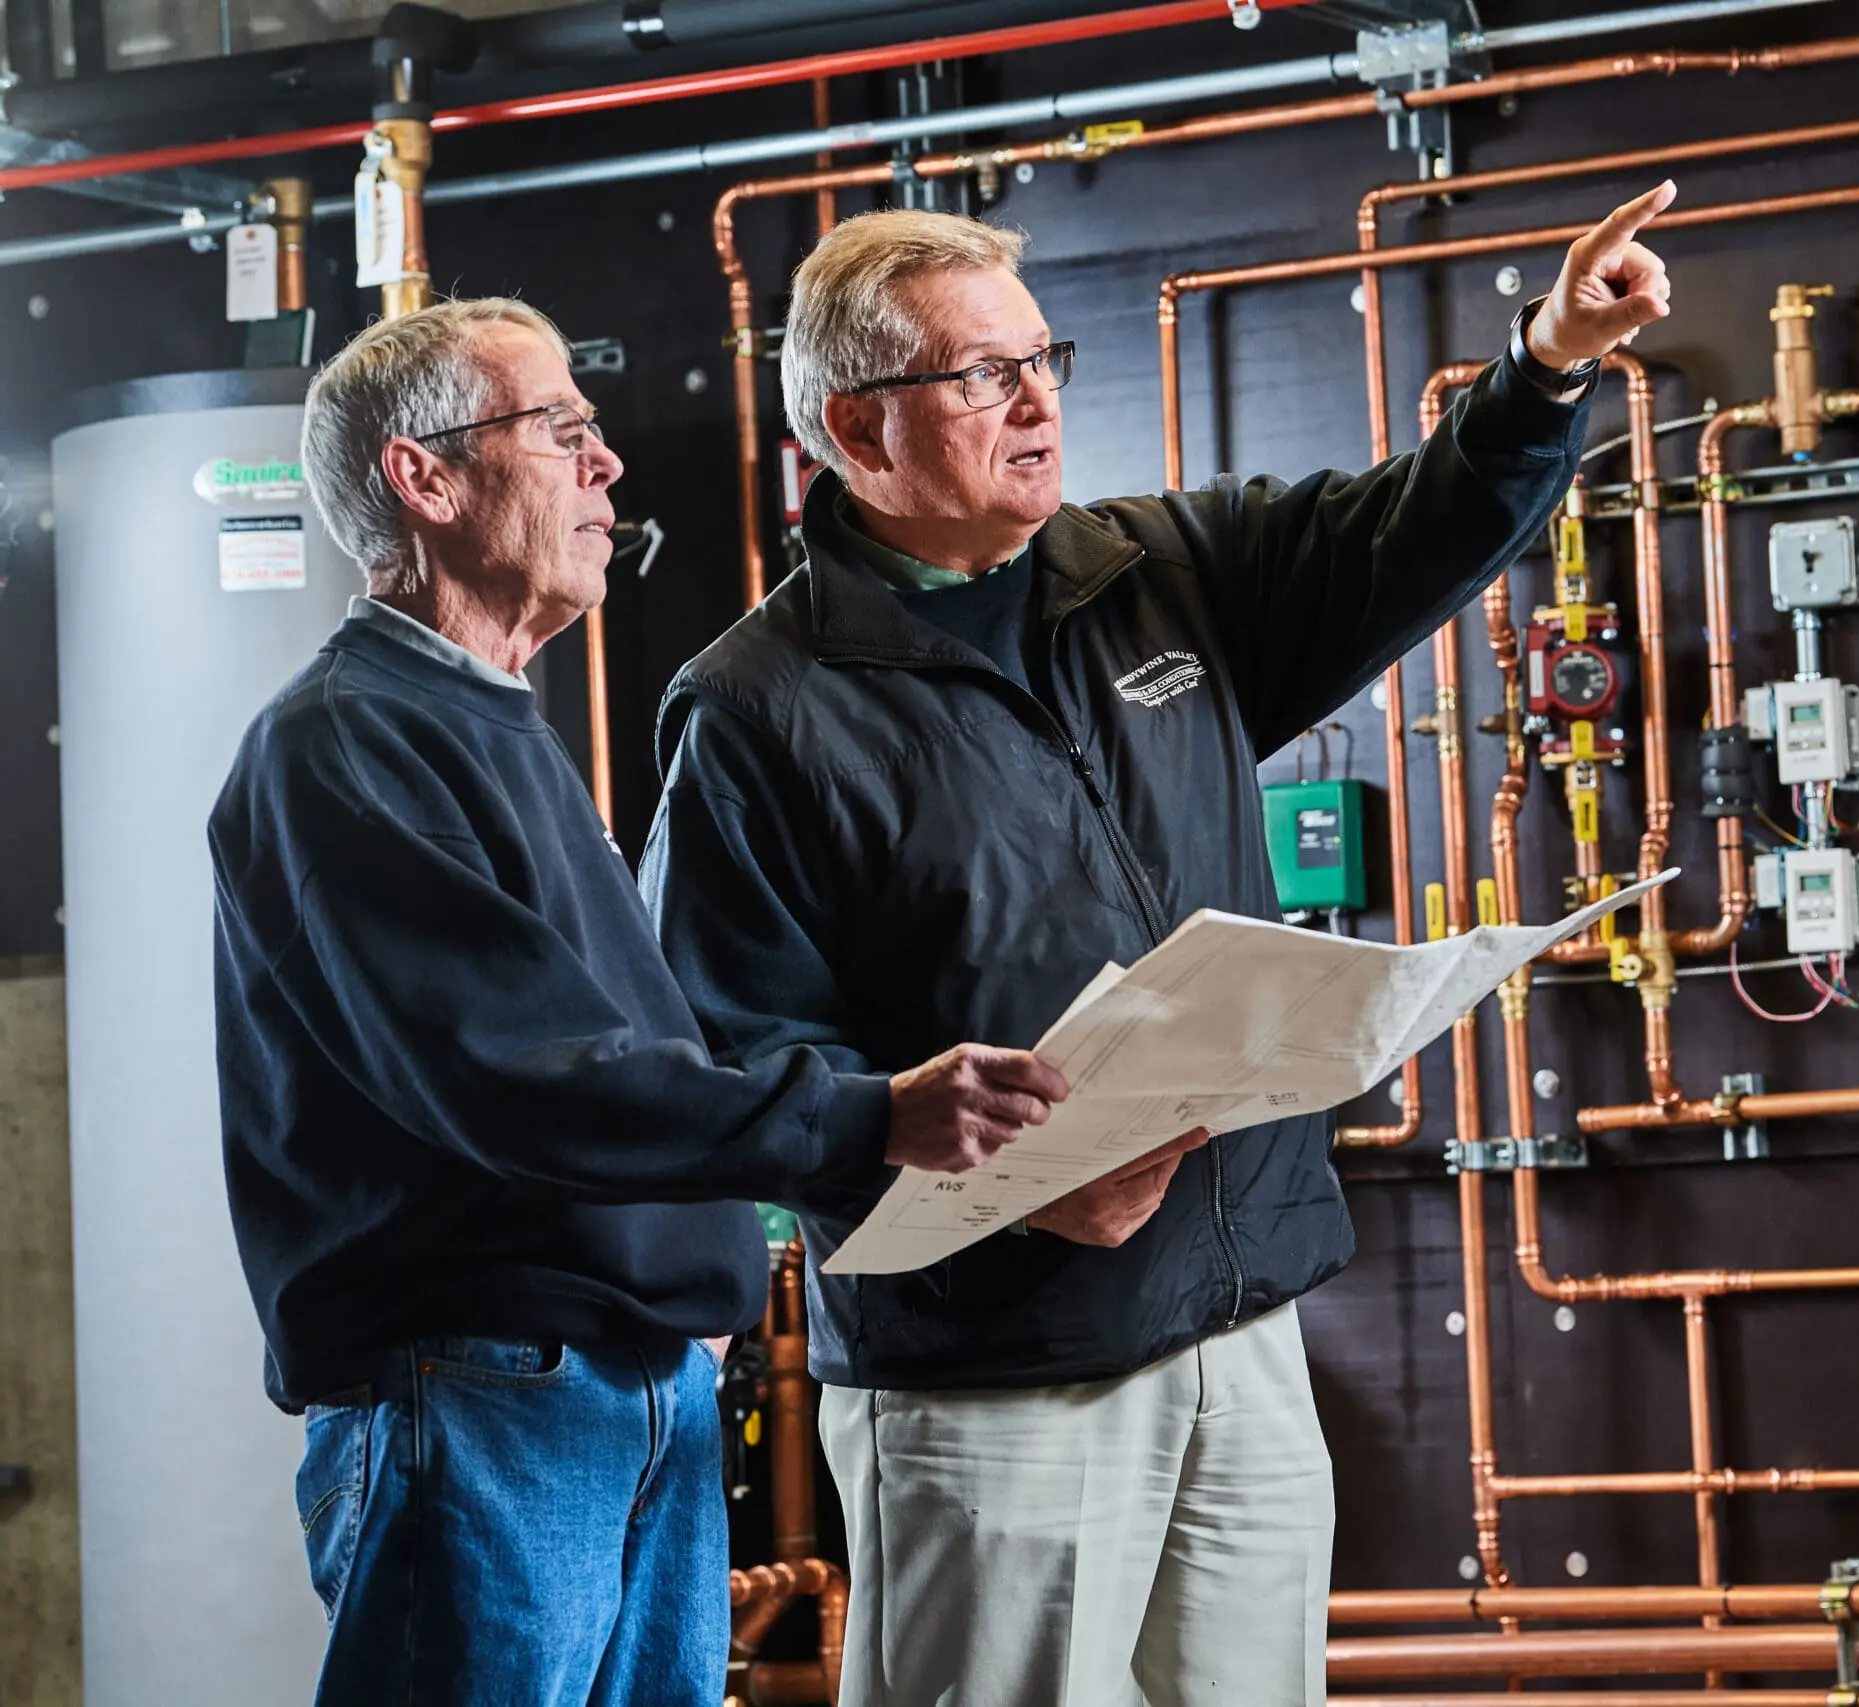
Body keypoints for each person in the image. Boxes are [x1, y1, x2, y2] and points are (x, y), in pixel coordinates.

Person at [640, 183, 1676, 1705]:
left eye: (1041, 358)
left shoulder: (1160, 571)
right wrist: (1010, 1194)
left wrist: (1549, 359)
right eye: (981, 375)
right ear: (857, 429)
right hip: (993, 1376)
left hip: (1235, 1322)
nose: (1036, 400)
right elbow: (734, 1064)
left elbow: (1409, 530)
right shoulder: (758, 709)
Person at [210, 296, 1059, 1707]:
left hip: (624, 1388)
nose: (606, 464)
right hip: (484, 1397)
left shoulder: (496, 725)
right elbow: (525, 1075)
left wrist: (697, 1277)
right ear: (424, 478)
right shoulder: (345, 743)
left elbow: (624, 1054)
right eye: (560, 429)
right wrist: (869, 1117)